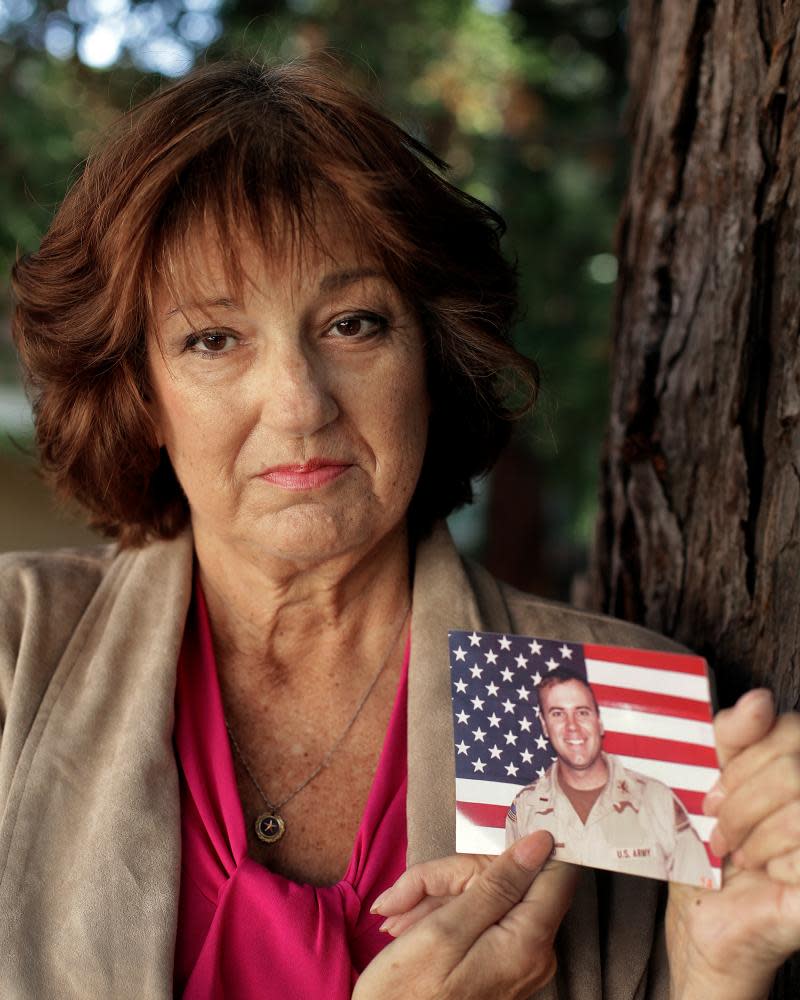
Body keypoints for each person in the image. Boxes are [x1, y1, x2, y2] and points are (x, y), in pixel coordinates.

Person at [2, 58, 800, 1000]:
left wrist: (713, 979)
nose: (298, 404)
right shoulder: (18, 657)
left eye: (353, 324)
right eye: (213, 339)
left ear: (434, 351)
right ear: (140, 393)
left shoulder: (620, 716)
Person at [505, 668, 715, 887]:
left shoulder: (656, 799)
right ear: (544, 725)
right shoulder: (525, 807)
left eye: (582, 712)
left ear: (599, 721)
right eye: (558, 714)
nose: (572, 726)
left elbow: (701, 897)